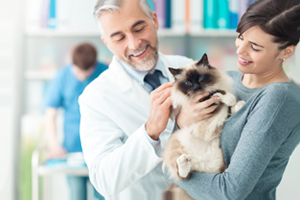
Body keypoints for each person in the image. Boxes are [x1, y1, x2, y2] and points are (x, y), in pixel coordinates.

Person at [78, 0, 222, 199]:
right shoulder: (96, 97)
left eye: (139, 28)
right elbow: (104, 180)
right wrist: (151, 130)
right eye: (119, 38)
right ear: (107, 43)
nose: (134, 44)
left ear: (154, 20)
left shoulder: (186, 66)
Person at [165, 0, 300, 200]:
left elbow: (229, 191)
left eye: (254, 47)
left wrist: (172, 170)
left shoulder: (278, 100)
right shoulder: (230, 78)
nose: (240, 50)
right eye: (241, 37)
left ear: (287, 51)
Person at [44, 43, 108, 200]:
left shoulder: (106, 73)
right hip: (73, 150)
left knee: (103, 194)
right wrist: (54, 144)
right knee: (77, 195)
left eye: (86, 72)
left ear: (94, 65)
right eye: (78, 72)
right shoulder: (63, 76)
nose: (81, 77)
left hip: (102, 149)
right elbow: (50, 114)